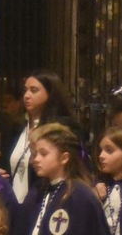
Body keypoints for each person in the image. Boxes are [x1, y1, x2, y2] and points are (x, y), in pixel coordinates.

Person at [9, 71, 79, 202]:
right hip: (16, 206)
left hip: (45, 200)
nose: (26, 96)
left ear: (50, 94)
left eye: (34, 90)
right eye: (25, 90)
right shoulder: (17, 127)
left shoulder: (61, 128)